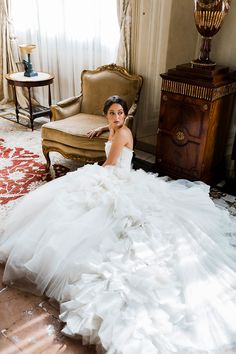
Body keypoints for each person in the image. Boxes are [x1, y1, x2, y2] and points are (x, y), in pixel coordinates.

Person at [1, 95, 236, 354]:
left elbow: (110, 164)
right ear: (106, 116)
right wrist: (103, 129)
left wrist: (89, 174)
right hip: (119, 174)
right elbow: (113, 133)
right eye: (112, 113)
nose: (117, 117)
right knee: (70, 197)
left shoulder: (123, 133)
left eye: (120, 113)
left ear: (125, 115)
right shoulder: (115, 128)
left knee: (78, 197)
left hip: (117, 177)